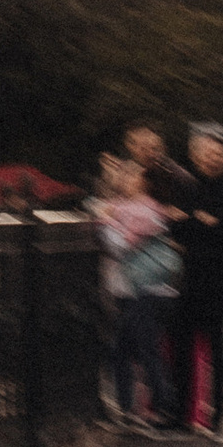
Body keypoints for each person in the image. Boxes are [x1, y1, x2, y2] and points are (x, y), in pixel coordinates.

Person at [90, 152, 177, 427]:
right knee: (124, 350)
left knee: (143, 350)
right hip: (130, 290)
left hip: (147, 290)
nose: (124, 179)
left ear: (142, 182)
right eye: (123, 175)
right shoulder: (120, 206)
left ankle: (163, 407)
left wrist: (104, 223)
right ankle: (130, 409)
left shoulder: (145, 210)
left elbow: (120, 246)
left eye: (131, 175)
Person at [171, 125, 223, 439]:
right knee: (183, 345)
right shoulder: (189, 186)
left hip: (219, 280)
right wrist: (201, 221)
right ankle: (183, 412)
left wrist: (198, 223)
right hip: (191, 278)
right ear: (195, 157)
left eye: (217, 153)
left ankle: (219, 412)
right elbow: (177, 228)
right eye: (206, 153)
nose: (211, 158)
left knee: (216, 347)